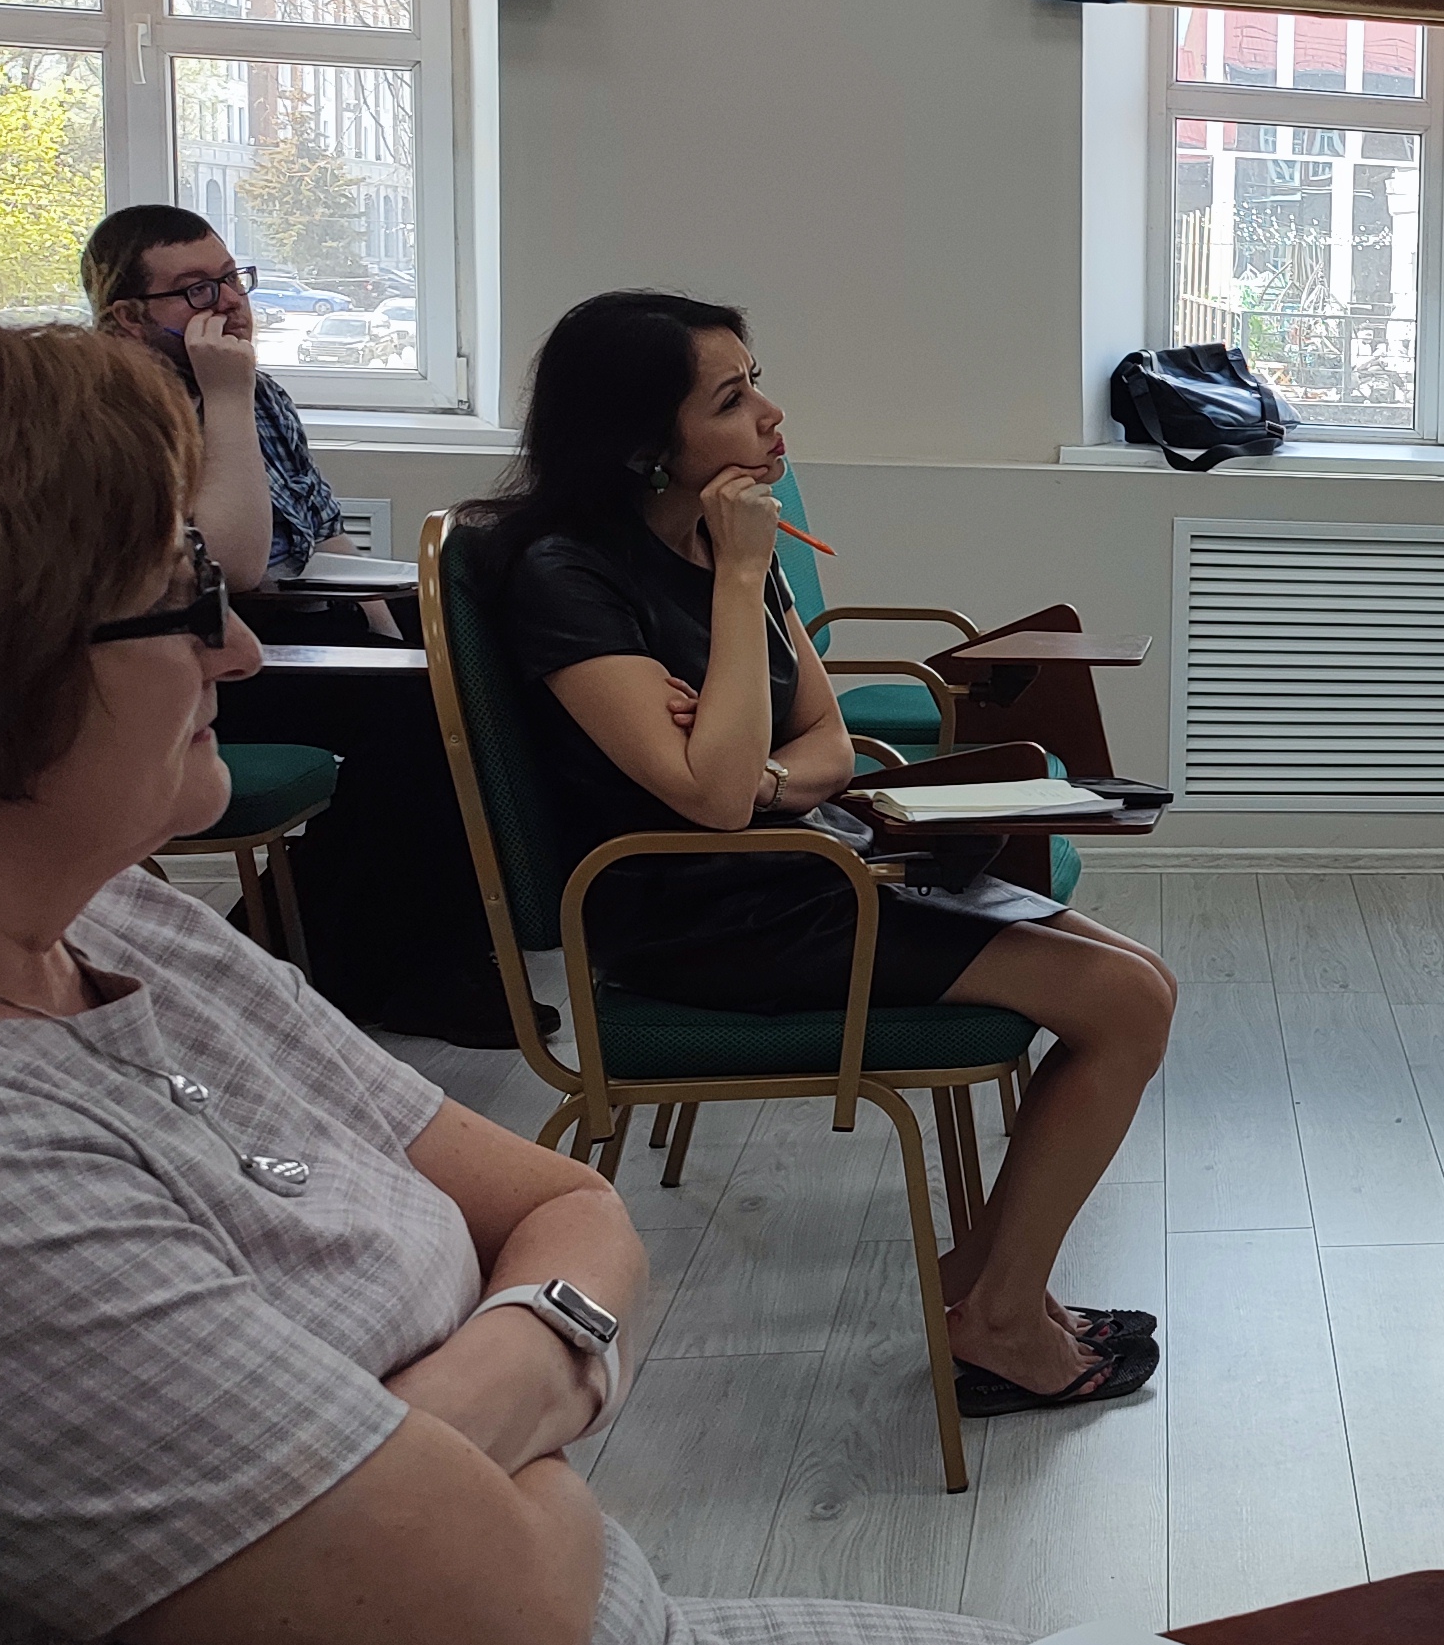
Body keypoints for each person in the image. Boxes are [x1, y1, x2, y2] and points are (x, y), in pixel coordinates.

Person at [0, 250, 1026, 1645]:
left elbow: (572, 1207)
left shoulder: (126, 923)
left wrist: (427, 1442)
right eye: (182, 599)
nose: (239, 646)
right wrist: (535, 1388)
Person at [472, 290, 1177, 1414]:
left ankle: (984, 1286)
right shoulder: (571, 577)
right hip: (702, 917)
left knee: (1141, 983)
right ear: (644, 442)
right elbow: (708, 805)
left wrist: (750, 765)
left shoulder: (716, 541)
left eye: (755, 382)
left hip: (798, 865)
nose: (771, 414)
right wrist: (739, 619)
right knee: (1125, 1003)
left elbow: (827, 746)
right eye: (730, 398)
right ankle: (999, 1315)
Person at [85, 204, 341, 594]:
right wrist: (227, 399)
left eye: (231, 278)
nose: (231, 300)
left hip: (312, 612)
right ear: (131, 318)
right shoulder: (112, 415)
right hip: (221, 622)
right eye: (198, 289)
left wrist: (400, 630)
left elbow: (326, 538)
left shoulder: (261, 392)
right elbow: (229, 570)